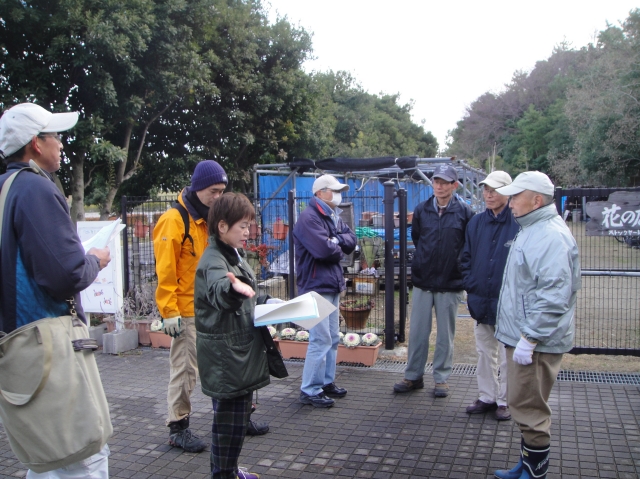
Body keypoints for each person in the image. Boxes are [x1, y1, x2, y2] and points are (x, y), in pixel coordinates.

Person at [0, 103, 112, 478]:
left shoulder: (6, 189)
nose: (61, 144)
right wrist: (95, 259)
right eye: (55, 136)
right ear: (35, 143)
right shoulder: (35, 189)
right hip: (49, 345)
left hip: (18, 344)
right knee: (84, 452)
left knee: (49, 457)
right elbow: (66, 275)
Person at [153, 160, 269, 453]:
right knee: (185, 369)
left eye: (222, 191)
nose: (218, 197)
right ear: (197, 188)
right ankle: (178, 426)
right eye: (213, 191)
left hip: (220, 305)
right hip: (188, 311)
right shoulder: (175, 219)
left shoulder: (215, 221)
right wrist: (169, 312)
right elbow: (165, 271)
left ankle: (238, 419)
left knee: (229, 366)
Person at [493, 171, 580, 479]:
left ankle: (535, 472)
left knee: (529, 406)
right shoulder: (533, 228)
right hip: (525, 337)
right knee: (523, 403)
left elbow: (553, 295)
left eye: (516, 196)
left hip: (535, 342)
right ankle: (526, 464)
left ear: (537, 200)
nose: (510, 201)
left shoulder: (549, 236)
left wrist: (530, 338)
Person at [194, 192, 274, 479]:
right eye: (242, 225)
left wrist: (267, 303)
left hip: (235, 355)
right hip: (227, 359)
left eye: (249, 225)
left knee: (235, 423)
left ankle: (227, 471)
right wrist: (232, 290)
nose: (248, 232)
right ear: (222, 226)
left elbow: (245, 293)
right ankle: (224, 474)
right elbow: (220, 289)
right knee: (228, 426)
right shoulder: (214, 260)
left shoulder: (230, 254)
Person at [394, 164, 474, 398]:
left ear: (454, 185)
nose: (438, 186)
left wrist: (457, 268)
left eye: (444, 182)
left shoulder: (465, 212)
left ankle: (441, 378)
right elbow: (418, 239)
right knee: (418, 332)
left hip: (451, 282)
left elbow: (467, 247)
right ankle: (413, 376)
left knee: (445, 335)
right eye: (436, 182)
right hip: (423, 281)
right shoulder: (421, 210)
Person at [293, 174, 357, 408]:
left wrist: (335, 240)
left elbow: (351, 240)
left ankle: (325, 382)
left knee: (331, 338)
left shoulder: (330, 216)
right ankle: (309, 389)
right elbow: (323, 251)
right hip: (315, 286)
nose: (338, 195)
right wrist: (336, 243)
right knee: (320, 339)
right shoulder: (309, 218)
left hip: (330, 283)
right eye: (334, 190)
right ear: (320, 193)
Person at [460, 171, 519, 421]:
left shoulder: (519, 222)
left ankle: (505, 401)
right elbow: (466, 259)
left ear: (508, 191)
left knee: (508, 354)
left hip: (508, 304)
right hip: (480, 299)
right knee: (485, 351)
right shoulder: (475, 222)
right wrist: (472, 284)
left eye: (494, 189)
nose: (489, 194)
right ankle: (487, 397)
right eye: (486, 189)